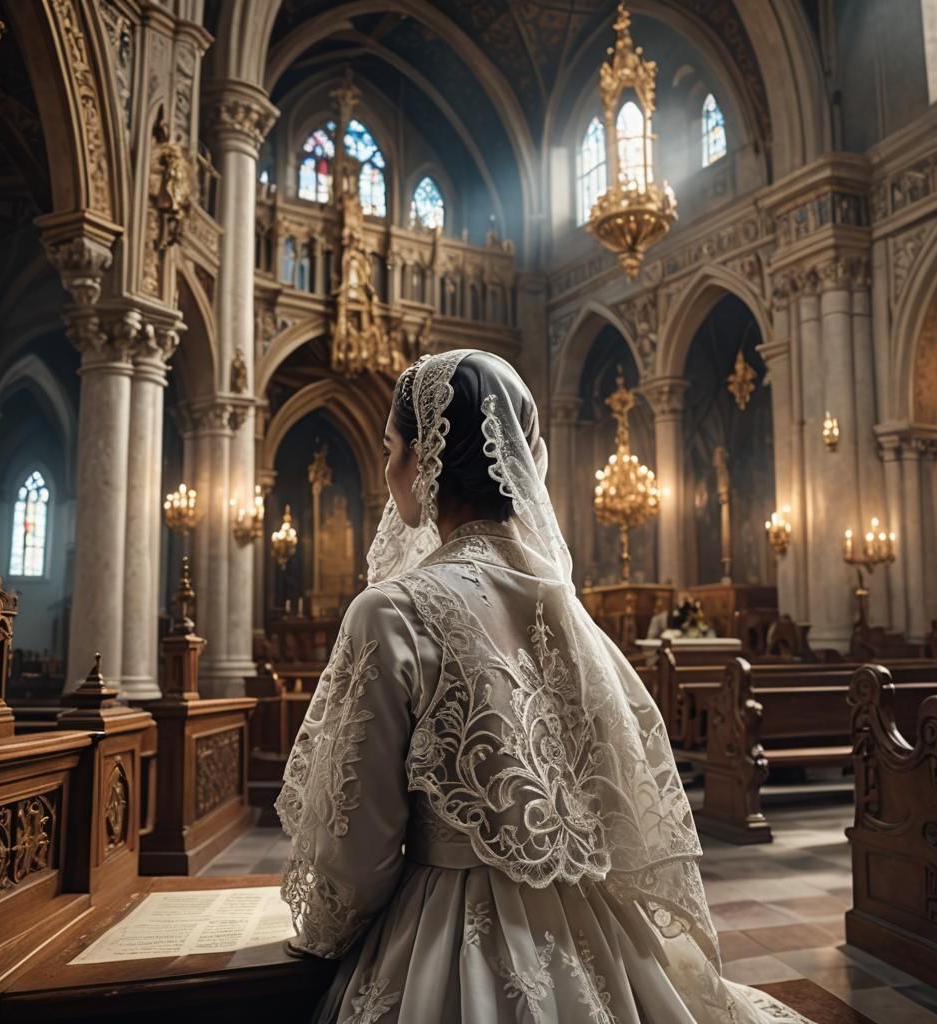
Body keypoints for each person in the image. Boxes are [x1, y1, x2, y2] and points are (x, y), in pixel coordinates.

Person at [275, 350, 811, 1023]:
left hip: (447, 940)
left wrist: (325, 936)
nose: (389, 471)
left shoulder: (392, 610)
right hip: (597, 933)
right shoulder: (567, 608)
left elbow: (358, 852)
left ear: (426, 456)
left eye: (391, 449)